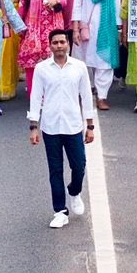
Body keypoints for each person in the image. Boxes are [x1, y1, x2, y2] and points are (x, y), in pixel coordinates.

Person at [27, 29, 96, 230]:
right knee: (55, 170)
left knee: (79, 165)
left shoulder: (79, 68)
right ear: (50, 46)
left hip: (73, 126)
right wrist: (34, 127)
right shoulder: (42, 69)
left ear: (68, 44)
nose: (59, 46)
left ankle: (74, 191)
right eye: (55, 43)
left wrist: (90, 126)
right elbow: (35, 97)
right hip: (50, 127)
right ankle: (60, 211)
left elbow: (86, 96)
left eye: (62, 42)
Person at [72, 0, 122, 110]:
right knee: (84, 63)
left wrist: (119, 30)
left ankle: (102, 96)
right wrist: (75, 30)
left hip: (106, 30)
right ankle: (85, 93)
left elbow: (117, 7)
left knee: (104, 63)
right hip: (86, 29)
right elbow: (77, 6)